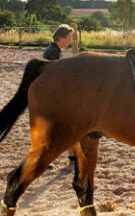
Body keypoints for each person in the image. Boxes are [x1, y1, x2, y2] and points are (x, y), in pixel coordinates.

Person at [42, 24, 78, 164]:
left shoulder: (54, 50)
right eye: (69, 38)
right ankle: (72, 156)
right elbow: (55, 77)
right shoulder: (53, 52)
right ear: (61, 37)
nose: (70, 41)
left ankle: (72, 156)